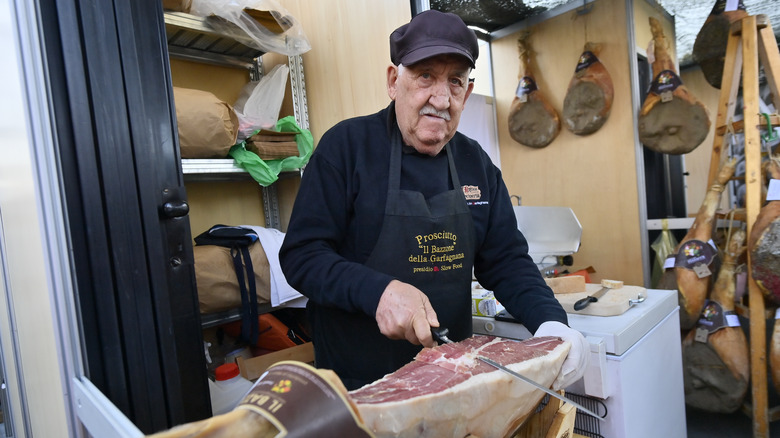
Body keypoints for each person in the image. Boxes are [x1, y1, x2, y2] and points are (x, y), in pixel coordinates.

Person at [280, 9, 588, 391]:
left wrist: (551, 323)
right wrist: (379, 292)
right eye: (426, 76)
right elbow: (302, 256)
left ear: (467, 93)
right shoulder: (346, 148)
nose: (441, 99)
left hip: (448, 376)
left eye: (455, 81)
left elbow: (507, 261)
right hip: (357, 384)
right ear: (395, 81)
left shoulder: (477, 164)